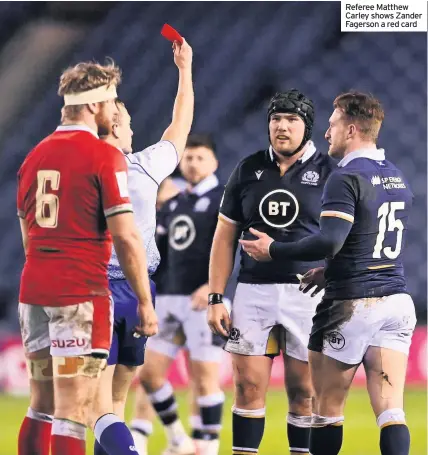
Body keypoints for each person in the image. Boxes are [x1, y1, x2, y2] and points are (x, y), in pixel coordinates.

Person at [240, 91, 416, 455]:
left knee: (326, 412)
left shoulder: (345, 176)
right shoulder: (396, 176)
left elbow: (331, 240)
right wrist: (329, 269)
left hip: (352, 304)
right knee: (391, 410)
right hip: (397, 301)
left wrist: (274, 249)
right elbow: (366, 240)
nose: (326, 133)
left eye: (333, 125)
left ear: (351, 130)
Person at [17, 60, 157, 455]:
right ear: (96, 105)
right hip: (80, 294)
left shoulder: (34, 157)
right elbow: (127, 237)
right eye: (112, 101)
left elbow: (28, 235)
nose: (115, 111)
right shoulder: (103, 156)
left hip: (35, 291)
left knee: (40, 406)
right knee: (73, 411)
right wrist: (144, 302)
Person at [207, 89, 336, 455]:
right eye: (276, 119)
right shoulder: (248, 169)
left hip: (308, 294)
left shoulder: (330, 173)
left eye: (291, 120)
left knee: (304, 393)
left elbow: (347, 235)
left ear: (307, 127)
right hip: (253, 291)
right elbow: (224, 234)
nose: (281, 126)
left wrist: (334, 275)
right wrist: (217, 296)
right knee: (246, 387)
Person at [90, 36, 194, 455]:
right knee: (114, 403)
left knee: (97, 409)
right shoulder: (145, 167)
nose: (133, 130)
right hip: (139, 291)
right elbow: (180, 127)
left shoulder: (81, 167)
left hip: (96, 289)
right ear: (115, 126)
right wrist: (185, 70)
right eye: (129, 123)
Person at [132, 134, 226, 455]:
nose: (193, 163)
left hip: (204, 299)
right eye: (188, 158)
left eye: (200, 157)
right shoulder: (173, 203)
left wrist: (215, 288)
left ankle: (207, 447)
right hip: (169, 298)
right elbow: (160, 256)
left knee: (204, 380)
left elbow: (236, 249)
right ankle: (177, 438)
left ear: (214, 162)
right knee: (149, 374)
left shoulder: (224, 199)